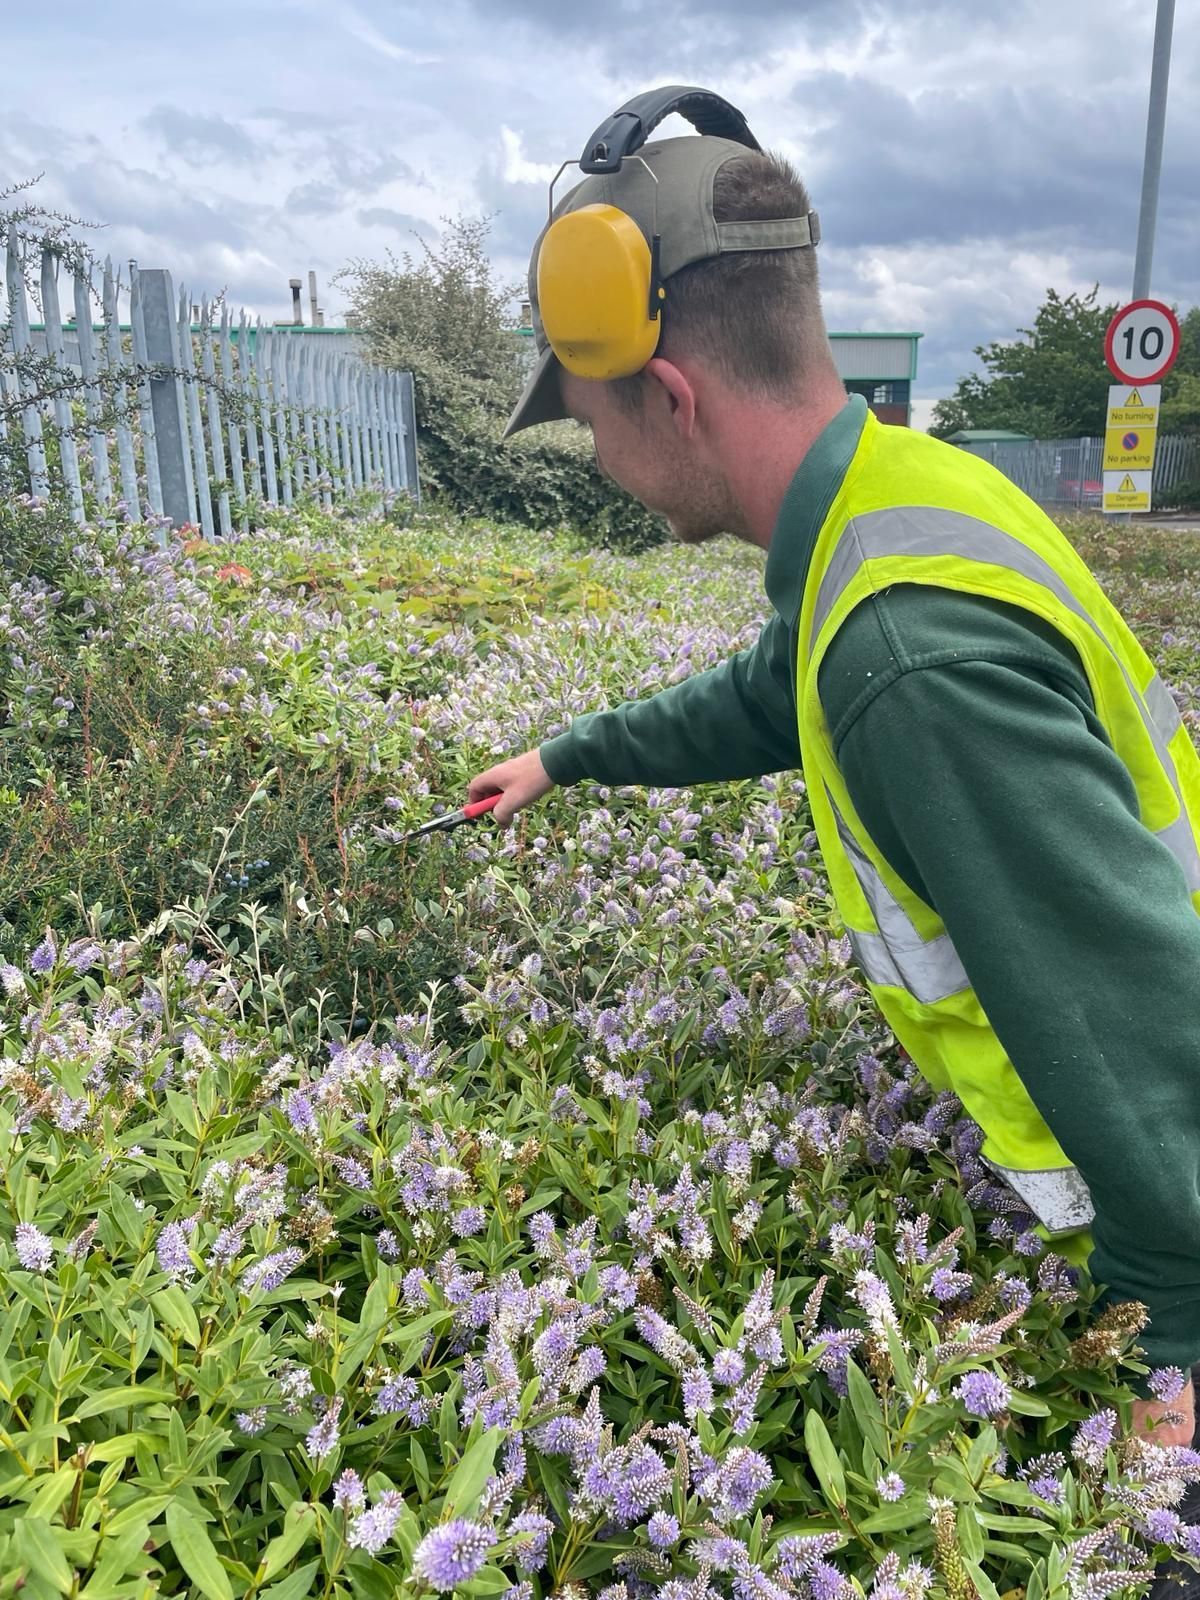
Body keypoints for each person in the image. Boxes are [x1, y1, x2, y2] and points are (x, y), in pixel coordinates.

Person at [469, 88, 1200, 1458]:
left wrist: (1170, 1329)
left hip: (1154, 1218)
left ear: (669, 396)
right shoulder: (902, 496)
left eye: (587, 425)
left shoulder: (907, 663)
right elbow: (775, 683)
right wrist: (568, 757)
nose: (596, 461)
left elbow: (1145, 1018)